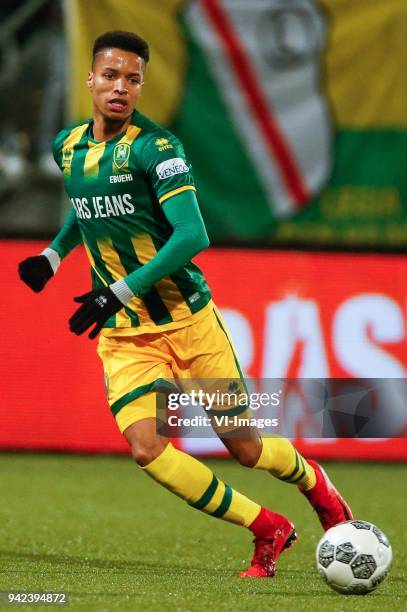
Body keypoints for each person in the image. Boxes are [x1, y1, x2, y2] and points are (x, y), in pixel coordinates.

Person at [18, 30, 352, 578]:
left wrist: (117, 289)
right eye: (110, 76)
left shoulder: (157, 149)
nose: (120, 87)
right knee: (147, 449)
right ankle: (267, 526)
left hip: (188, 324)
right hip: (125, 333)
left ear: (142, 85)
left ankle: (317, 485)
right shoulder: (67, 146)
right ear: (91, 79)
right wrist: (55, 255)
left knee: (245, 450)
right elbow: (88, 205)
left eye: (132, 78)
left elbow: (192, 234)